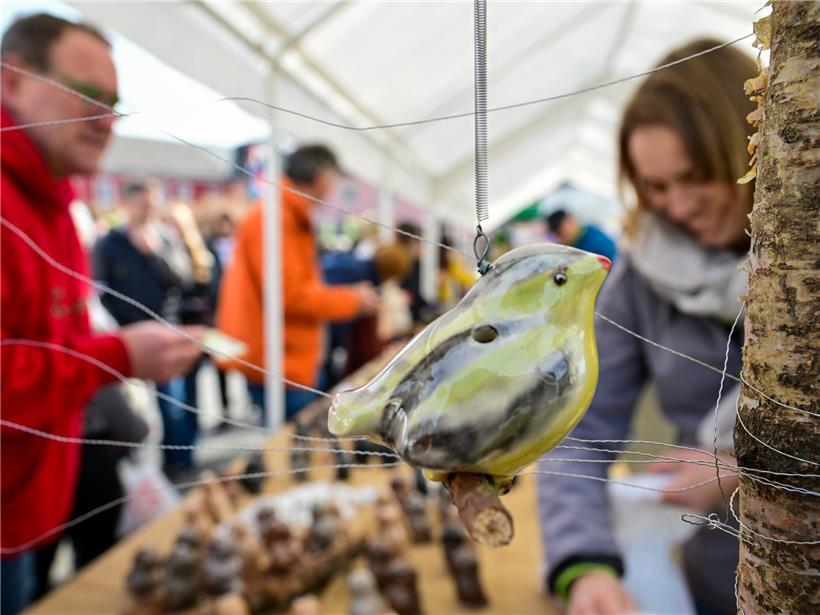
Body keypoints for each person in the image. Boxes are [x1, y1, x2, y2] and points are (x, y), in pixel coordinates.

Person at [537, 38, 756, 615]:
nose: (679, 207)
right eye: (657, 187)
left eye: (698, 177)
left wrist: (741, 465)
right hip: (719, 575)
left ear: (749, 153)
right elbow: (581, 426)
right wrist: (584, 564)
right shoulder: (640, 277)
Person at [0, 13, 202, 613]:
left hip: (33, 513)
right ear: (12, 79)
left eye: (114, 102)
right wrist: (120, 356)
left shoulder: (59, 205)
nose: (106, 118)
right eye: (87, 94)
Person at [216, 145, 380, 422]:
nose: (333, 189)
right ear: (319, 177)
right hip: (279, 362)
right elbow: (289, 296)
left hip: (285, 358)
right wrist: (353, 300)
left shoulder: (285, 214)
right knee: (294, 448)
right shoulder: (276, 217)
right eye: (333, 179)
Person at [94, 182, 198, 474]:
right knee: (137, 409)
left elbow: (184, 279)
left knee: (173, 407)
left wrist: (154, 254)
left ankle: (180, 463)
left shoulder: (165, 237)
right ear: (127, 204)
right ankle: (148, 468)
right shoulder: (109, 243)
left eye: (152, 204)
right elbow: (101, 291)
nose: (148, 210)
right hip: (128, 340)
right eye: (142, 203)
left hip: (166, 334)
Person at [545, 209, 617, 263]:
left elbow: (612, 254)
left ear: (570, 220)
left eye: (561, 233)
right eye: (558, 235)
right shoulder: (563, 249)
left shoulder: (593, 237)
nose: (561, 238)